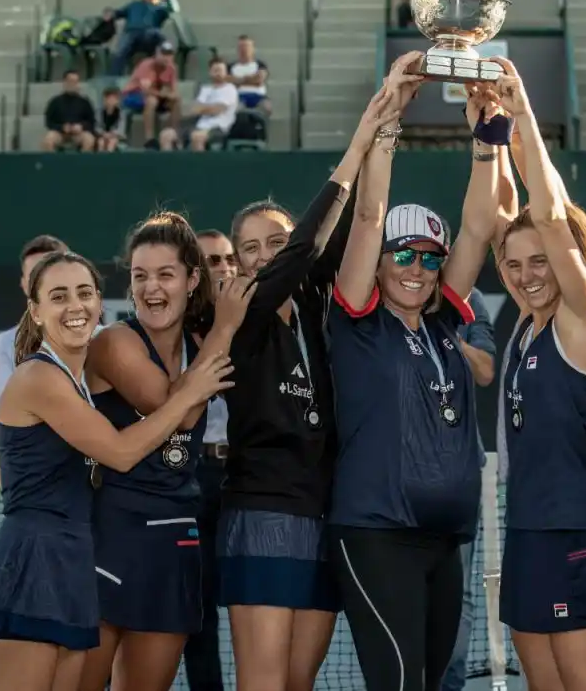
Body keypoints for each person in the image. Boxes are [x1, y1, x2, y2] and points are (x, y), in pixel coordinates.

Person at [0, 251, 232, 691]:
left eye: (85, 293)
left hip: (74, 571)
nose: (75, 306)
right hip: (32, 567)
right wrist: (186, 396)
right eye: (59, 296)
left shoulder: (77, 383)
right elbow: (121, 454)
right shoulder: (39, 378)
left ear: (99, 302)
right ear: (36, 309)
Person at [215, 86, 400, 691]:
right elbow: (304, 249)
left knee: (298, 682)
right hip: (263, 511)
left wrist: (384, 137)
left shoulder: (319, 305)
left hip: (326, 515)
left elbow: (365, 222)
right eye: (251, 248)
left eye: (277, 241)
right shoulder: (240, 314)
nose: (266, 256)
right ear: (238, 265)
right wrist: (354, 148)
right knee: (264, 682)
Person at [326, 51, 497, 691]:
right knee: (398, 683)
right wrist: (389, 124)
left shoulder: (444, 321)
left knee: (429, 684)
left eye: (429, 259)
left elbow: (479, 229)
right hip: (376, 533)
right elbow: (368, 217)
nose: (416, 269)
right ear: (378, 262)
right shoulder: (357, 318)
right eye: (403, 255)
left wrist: (488, 135)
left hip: (444, 538)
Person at [485, 57, 586, 691]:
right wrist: (489, 137)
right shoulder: (526, 325)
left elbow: (549, 220)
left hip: (578, 532)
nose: (526, 274)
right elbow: (498, 221)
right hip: (527, 532)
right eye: (514, 265)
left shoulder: (585, 317)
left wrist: (522, 113)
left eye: (541, 262)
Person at [77, 213, 247, 691]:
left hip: (175, 545)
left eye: (165, 274)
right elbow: (181, 410)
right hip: (108, 542)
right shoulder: (113, 344)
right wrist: (227, 325)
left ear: (193, 280)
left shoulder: (200, 346)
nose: (151, 288)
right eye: (139, 275)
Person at [183, 229, 238, 691]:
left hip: (246, 477)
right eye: (211, 260)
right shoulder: (177, 330)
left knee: (251, 602)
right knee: (197, 609)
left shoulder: (256, 322)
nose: (222, 267)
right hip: (196, 476)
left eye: (227, 258)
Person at [441, 285, 497, 691]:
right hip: (392, 476)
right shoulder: (375, 286)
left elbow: (485, 370)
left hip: (461, 470)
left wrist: (444, 335)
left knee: (457, 594)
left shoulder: (470, 300)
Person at [0, 235, 69, 414]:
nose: (43, 282)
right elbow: (8, 408)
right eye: (34, 275)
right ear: (23, 284)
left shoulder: (101, 337)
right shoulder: (6, 343)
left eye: (50, 272)